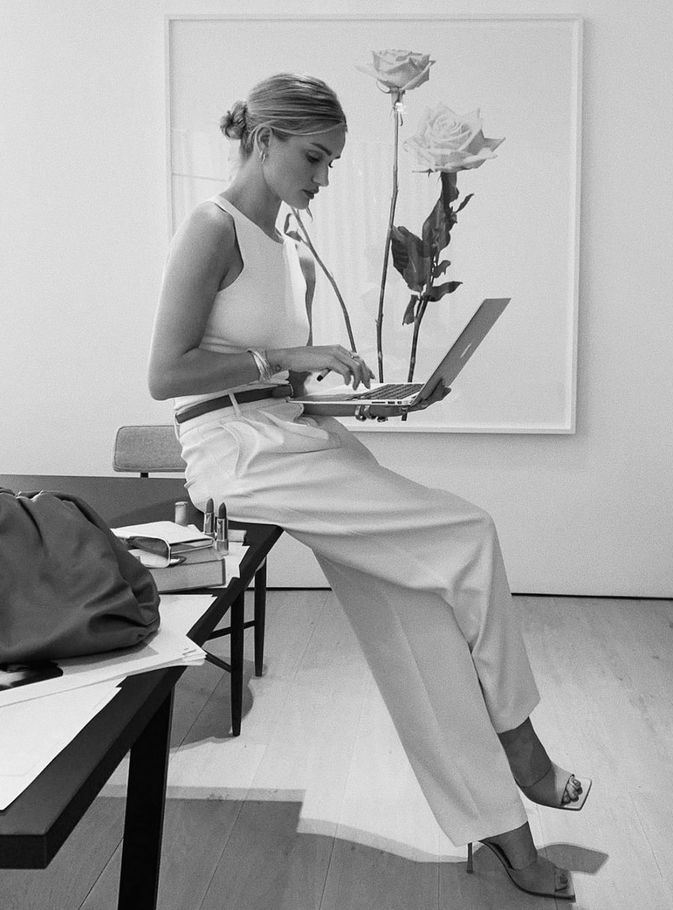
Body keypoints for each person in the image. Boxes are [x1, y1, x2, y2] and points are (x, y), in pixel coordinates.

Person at [148, 72, 591, 901]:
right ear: (264, 139)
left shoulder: (287, 248)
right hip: (236, 452)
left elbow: (278, 384)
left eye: (332, 163)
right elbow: (166, 376)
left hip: (292, 432)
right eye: (314, 157)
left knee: (420, 620)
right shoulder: (212, 227)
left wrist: (365, 400)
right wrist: (289, 358)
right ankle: (520, 742)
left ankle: (503, 835)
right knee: (468, 531)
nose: (323, 177)